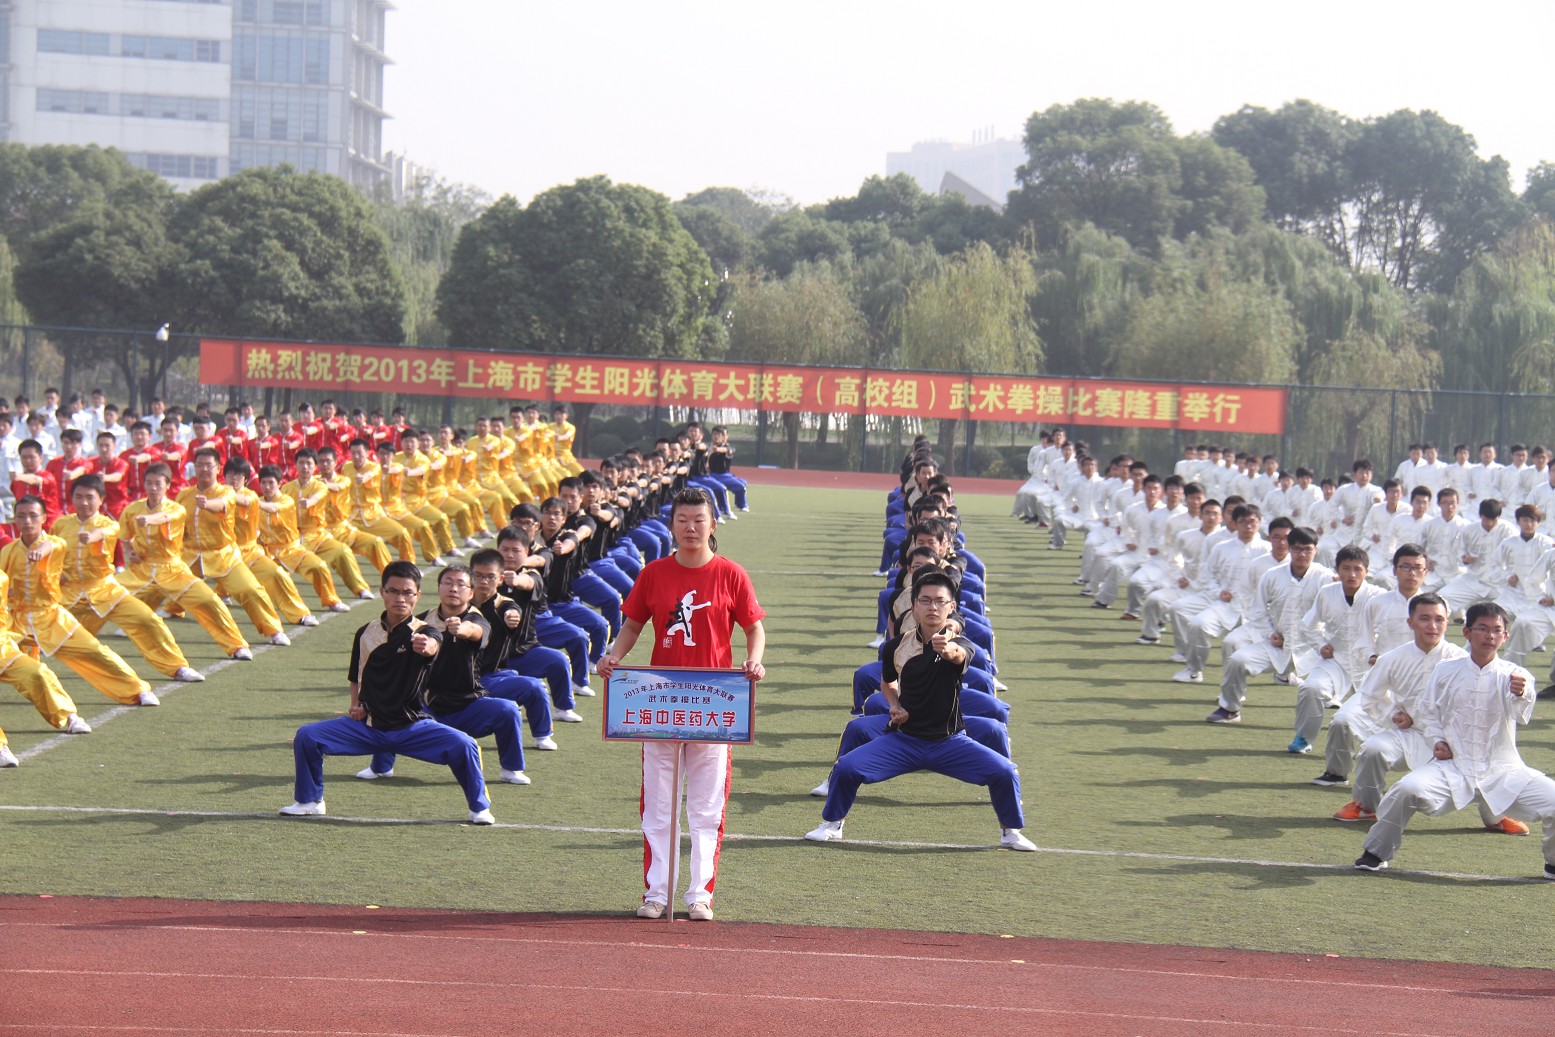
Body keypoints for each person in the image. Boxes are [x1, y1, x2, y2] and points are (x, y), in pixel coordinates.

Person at [597, 488, 766, 922]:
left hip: (714, 709)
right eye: (683, 520)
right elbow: (633, 625)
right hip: (660, 707)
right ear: (672, 526)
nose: (691, 528)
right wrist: (615, 656)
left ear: (712, 525)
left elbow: (753, 628)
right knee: (658, 805)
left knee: (707, 808)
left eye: (699, 520)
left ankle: (699, 895)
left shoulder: (731, 574)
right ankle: (657, 893)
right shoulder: (654, 573)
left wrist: (754, 660)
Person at [804, 568, 1035, 853]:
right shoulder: (895, 647)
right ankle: (832, 825)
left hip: (951, 742)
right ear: (913, 605)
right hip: (904, 740)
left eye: (940, 601)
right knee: (847, 767)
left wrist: (946, 647)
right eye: (925, 600)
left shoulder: (960, 644)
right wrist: (894, 705)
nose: (932, 606)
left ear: (952, 607)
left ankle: (1009, 832)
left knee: (1004, 770)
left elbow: (957, 655)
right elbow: (887, 682)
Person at [281, 560, 496, 824]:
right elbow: (355, 677)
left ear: (417, 596)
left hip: (412, 728)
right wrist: (356, 705)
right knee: (307, 736)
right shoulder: (365, 633)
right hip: (369, 728)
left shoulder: (425, 631)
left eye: (408, 592)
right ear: (382, 593)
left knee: (465, 744)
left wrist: (426, 646)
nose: (400, 598)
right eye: (394, 591)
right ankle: (310, 801)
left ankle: (479, 809)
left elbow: (433, 646)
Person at [1355, 602, 1555, 878]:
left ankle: (1553, 864)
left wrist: (1521, 693)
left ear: (1505, 636)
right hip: (1454, 767)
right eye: (1482, 629)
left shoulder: (1515, 675)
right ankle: (1375, 852)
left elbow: (1521, 713)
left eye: (1497, 630)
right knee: (1405, 790)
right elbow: (1429, 710)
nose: (1490, 636)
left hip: (1503, 771)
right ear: (1467, 632)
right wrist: (1439, 739)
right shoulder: (1446, 670)